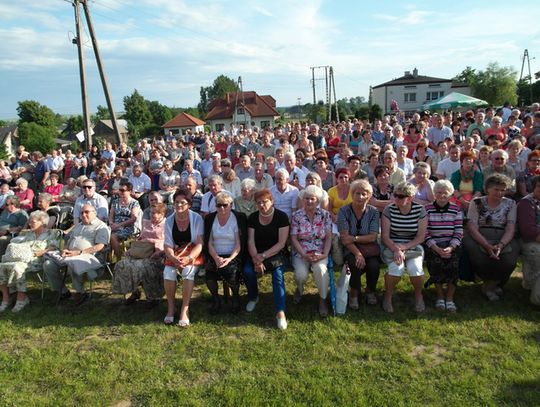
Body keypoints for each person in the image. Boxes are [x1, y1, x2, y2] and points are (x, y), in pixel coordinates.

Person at [463, 174, 519, 301]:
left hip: (503, 236)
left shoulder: (511, 203)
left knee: (509, 260)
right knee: (481, 258)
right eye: (496, 189)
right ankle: (489, 285)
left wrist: (501, 245)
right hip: (479, 235)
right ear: (488, 189)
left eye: (503, 190)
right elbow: (472, 227)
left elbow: (510, 227)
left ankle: (490, 286)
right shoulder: (476, 202)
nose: (500, 193)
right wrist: (486, 245)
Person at [42, 204, 110, 305]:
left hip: (89, 256)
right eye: (82, 212)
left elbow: (100, 246)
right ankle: (63, 291)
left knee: (73, 263)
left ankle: (80, 292)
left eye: (87, 212)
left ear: (95, 213)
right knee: (48, 264)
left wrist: (79, 252)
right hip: (70, 254)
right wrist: (65, 249)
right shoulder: (78, 225)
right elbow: (67, 239)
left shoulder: (101, 226)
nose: (83, 214)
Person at [244, 188, 290, 330]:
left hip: (277, 253)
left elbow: (281, 243)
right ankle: (253, 297)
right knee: (247, 271)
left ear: (272, 201)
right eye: (259, 203)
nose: (262, 205)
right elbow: (250, 241)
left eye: (265, 202)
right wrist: (256, 258)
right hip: (256, 253)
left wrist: (262, 257)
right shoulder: (252, 217)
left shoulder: (281, 217)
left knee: (277, 275)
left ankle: (280, 312)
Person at [381, 182, 428, 313]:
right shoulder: (388, 210)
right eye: (395, 195)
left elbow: (420, 237)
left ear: (411, 197)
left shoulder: (420, 210)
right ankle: (388, 296)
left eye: (401, 196)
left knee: (416, 269)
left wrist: (404, 247)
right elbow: (385, 236)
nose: (396, 198)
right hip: (392, 245)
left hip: (413, 245)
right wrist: (396, 249)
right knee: (397, 269)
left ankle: (419, 295)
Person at [0, 211, 60, 313]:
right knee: (1, 265)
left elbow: (54, 247)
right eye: (30, 222)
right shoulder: (29, 234)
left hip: (38, 260)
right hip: (24, 259)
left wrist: (43, 251)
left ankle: (22, 298)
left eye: (33, 222)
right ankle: (6, 298)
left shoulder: (51, 233)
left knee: (17, 267)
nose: (30, 224)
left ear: (42, 222)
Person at [112, 203, 167, 307]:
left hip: (157, 254)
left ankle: (152, 297)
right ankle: (134, 291)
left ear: (162, 214)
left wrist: (159, 252)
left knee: (145, 267)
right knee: (122, 264)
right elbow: (140, 237)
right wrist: (132, 249)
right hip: (142, 251)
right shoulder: (146, 223)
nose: (151, 215)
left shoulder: (167, 224)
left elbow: (168, 241)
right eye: (150, 212)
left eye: (154, 213)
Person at [163, 188, 204, 326]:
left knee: (188, 272)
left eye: (182, 203)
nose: (179, 205)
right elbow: (167, 245)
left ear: (189, 204)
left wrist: (189, 259)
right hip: (176, 253)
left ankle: (184, 309)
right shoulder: (168, 221)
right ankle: (171, 307)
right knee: (168, 272)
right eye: (176, 202)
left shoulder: (197, 218)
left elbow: (199, 244)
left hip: (192, 253)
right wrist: (174, 259)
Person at [290, 185, 333, 317]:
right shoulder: (297, 216)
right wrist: (303, 254)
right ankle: (300, 288)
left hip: (320, 251)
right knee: (300, 275)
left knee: (321, 270)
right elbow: (294, 238)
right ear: (303, 200)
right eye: (307, 198)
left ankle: (322, 299)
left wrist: (324, 254)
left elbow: (329, 237)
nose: (309, 201)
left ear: (318, 201)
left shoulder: (325, 215)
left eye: (312, 199)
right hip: (301, 252)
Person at [337, 180, 380, 307]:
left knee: (374, 265)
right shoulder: (344, 211)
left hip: (369, 248)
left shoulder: (374, 212)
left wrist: (354, 238)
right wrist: (358, 254)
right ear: (352, 194)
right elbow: (345, 239)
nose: (360, 197)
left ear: (369, 196)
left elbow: (373, 237)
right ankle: (354, 292)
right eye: (357, 193)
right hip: (350, 249)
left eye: (364, 194)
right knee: (354, 263)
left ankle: (370, 290)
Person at [203, 192, 247, 314]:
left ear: (231, 205)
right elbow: (209, 242)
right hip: (215, 253)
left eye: (225, 205)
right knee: (209, 275)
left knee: (231, 271)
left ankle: (235, 298)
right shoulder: (210, 218)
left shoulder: (238, 218)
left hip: (233, 254)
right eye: (219, 205)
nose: (221, 208)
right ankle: (216, 299)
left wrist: (229, 259)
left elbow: (239, 244)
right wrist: (216, 258)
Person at [424, 180, 464, 312]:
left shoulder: (456, 209)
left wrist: (451, 247)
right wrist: (436, 248)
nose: (441, 195)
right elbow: (425, 232)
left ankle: (450, 298)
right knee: (436, 264)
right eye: (438, 192)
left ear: (450, 194)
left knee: (454, 264)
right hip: (433, 244)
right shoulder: (427, 209)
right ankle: (440, 297)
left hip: (451, 243)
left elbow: (458, 231)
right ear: (434, 193)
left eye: (445, 193)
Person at [517, 175, 540, 305]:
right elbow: (528, 231)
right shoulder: (526, 203)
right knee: (536, 252)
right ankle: (534, 292)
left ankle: (533, 285)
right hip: (529, 240)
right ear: (534, 187)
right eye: (539, 187)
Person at [108, 181, 141, 261]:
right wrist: (111, 223)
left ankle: (119, 260)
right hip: (114, 226)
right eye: (120, 190)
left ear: (129, 191)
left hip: (128, 227)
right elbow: (111, 215)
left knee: (112, 237)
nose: (120, 192)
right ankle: (104, 260)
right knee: (102, 234)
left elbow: (133, 219)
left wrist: (119, 225)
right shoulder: (115, 202)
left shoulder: (134, 203)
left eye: (123, 190)